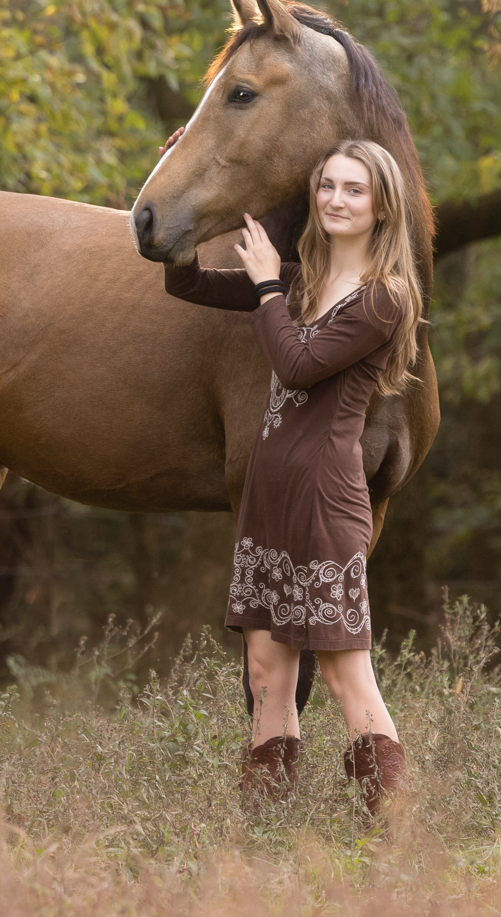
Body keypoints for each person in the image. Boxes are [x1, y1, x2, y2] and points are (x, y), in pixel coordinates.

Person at [162, 137, 423, 817]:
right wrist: (184, 188)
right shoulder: (302, 281)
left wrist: (266, 286)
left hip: (323, 501)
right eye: (327, 186)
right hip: (269, 494)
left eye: (354, 189)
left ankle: (388, 829)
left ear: (381, 207)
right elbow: (181, 280)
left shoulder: (384, 298)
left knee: (344, 675)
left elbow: (300, 364)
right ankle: (269, 828)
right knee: (265, 672)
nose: (336, 199)